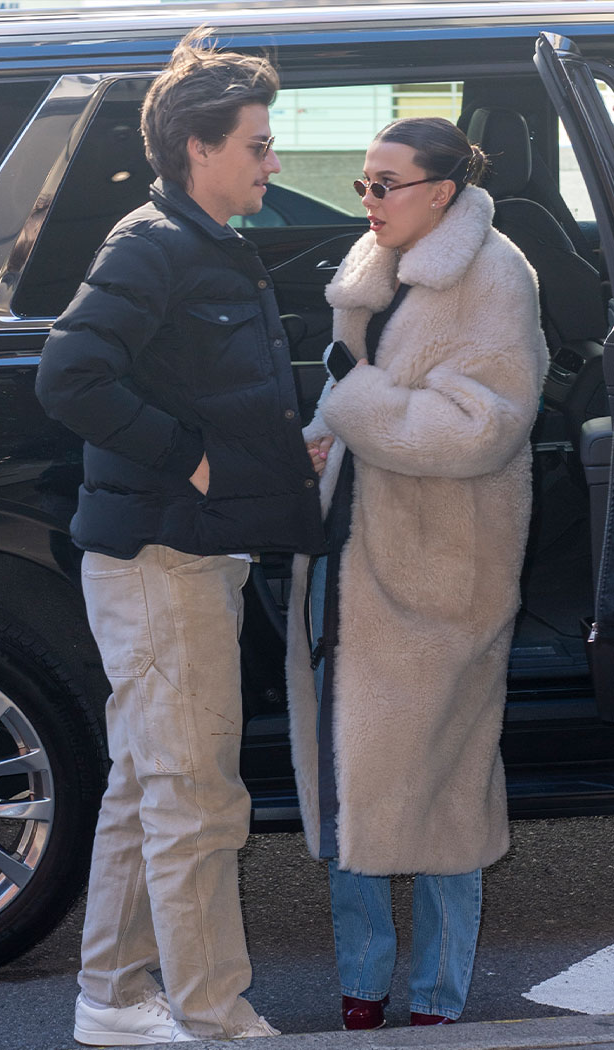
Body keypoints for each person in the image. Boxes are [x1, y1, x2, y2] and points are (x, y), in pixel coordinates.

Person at [35, 27, 325, 1046]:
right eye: (257, 143)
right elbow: (68, 376)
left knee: (144, 786)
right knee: (197, 798)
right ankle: (214, 1016)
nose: (272, 160)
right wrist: (186, 459)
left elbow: (208, 381)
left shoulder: (200, 243)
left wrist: (280, 447)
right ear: (198, 149)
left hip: (178, 553)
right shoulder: (152, 243)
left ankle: (112, 998)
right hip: (161, 558)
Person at [286, 116, 548, 1030]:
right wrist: (319, 439)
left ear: (441, 190)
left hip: (444, 570)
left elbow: (484, 426)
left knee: (443, 787)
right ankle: (362, 985)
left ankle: (437, 1000)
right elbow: (347, 397)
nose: (369, 200)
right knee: (347, 773)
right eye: (362, 183)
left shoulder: (496, 275)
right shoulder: (368, 268)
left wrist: (351, 407)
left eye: (385, 184)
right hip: (350, 558)